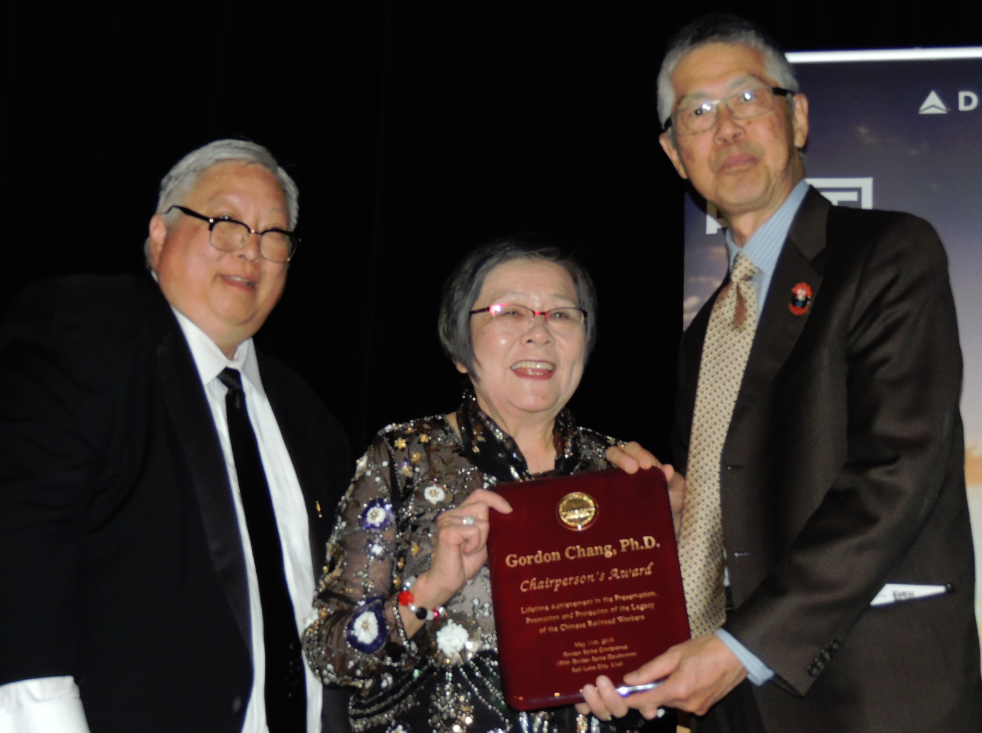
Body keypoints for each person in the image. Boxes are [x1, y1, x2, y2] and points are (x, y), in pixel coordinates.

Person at [577, 14, 982, 732]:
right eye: (697, 114)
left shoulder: (888, 254)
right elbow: (741, 505)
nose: (726, 128)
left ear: (796, 117)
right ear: (675, 155)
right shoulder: (705, 333)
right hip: (744, 708)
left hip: (877, 691)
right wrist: (677, 516)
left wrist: (737, 648)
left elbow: (897, 471)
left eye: (746, 98)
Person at [0, 140, 351, 733]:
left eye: (274, 236)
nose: (251, 251)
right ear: (160, 236)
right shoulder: (86, 332)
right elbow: (21, 546)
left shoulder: (310, 419)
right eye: (225, 223)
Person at [302, 238, 675, 733]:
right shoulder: (403, 458)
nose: (539, 332)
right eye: (510, 311)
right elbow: (330, 657)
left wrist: (679, 545)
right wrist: (430, 590)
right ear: (460, 346)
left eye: (561, 315)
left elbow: (675, 658)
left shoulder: (621, 473)